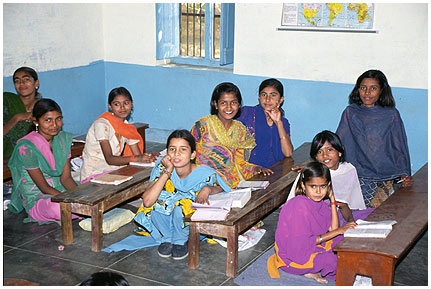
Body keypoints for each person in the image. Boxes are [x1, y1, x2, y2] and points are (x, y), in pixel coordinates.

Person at [135, 129, 231, 260]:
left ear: (192, 155)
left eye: (183, 149)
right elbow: (147, 201)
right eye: (172, 149)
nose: (177, 154)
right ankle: (167, 238)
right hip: (166, 222)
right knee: (157, 199)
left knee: (181, 204)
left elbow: (222, 189)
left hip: (188, 222)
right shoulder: (162, 168)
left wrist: (207, 189)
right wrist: (168, 171)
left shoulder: (203, 173)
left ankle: (181, 240)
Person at [268, 162, 357, 284]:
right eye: (313, 186)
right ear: (304, 186)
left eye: (323, 186)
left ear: (328, 186)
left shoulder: (319, 204)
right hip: (292, 257)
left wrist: (332, 200)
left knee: (346, 240)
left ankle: (312, 269)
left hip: (311, 246)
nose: (318, 191)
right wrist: (339, 231)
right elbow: (302, 243)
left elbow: (333, 229)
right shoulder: (298, 205)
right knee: (333, 260)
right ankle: (307, 270)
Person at [336, 70, 412, 208]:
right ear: (358, 89)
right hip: (359, 176)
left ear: (381, 91)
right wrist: (315, 162)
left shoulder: (391, 114)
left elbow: (399, 146)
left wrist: (405, 173)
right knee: (357, 216)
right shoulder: (350, 112)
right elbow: (338, 142)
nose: (367, 92)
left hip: (387, 176)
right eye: (363, 88)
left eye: (373, 88)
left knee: (387, 216)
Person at [7, 99, 81, 223]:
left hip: (60, 189)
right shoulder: (27, 147)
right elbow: (44, 187)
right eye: (48, 120)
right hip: (39, 197)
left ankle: (77, 209)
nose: (55, 125)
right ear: (36, 121)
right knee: (58, 209)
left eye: (58, 119)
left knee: (94, 192)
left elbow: (66, 178)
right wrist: (69, 201)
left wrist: (80, 197)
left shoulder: (62, 140)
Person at [191, 82, 273, 189]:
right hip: (202, 181)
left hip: (229, 184)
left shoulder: (240, 130)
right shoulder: (203, 125)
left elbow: (239, 162)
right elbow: (187, 151)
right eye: (223, 103)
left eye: (233, 102)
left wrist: (255, 169)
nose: (229, 107)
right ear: (216, 104)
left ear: (239, 105)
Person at [288, 131, 373, 224]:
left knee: (374, 215)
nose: (325, 155)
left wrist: (351, 220)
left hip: (346, 213)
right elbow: (294, 205)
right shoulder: (311, 174)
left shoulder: (348, 170)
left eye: (329, 150)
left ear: (340, 152)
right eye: (320, 152)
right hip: (318, 218)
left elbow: (351, 203)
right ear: (316, 157)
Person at [80, 87, 158, 182]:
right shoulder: (102, 124)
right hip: (94, 173)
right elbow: (110, 159)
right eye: (117, 104)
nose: (122, 107)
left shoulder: (126, 127)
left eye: (126, 103)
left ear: (131, 104)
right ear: (110, 106)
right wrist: (137, 158)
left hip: (113, 171)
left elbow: (138, 156)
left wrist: (149, 156)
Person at [237, 78, 293, 168]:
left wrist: (278, 122)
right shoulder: (246, 114)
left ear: (281, 99)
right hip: (247, 169)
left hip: (274, 170)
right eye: (264, 95)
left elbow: (288, 153)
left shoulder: (283, 122)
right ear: (259, 97)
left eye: (273, 95)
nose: (267, 99)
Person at [4, 67, 42, 159]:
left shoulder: (43, 107)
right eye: (17, 81)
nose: (21, 83)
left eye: (26, 79)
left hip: (35, 157)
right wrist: (16, 118)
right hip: (6, 158)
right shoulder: (6, 101)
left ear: (36, 83)